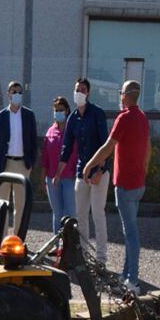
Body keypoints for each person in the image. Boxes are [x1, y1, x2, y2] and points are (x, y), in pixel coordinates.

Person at [83, 80, 151, 293]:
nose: (120, 94)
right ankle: (126, 274)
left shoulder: (124, 118)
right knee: (129, 230)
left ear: (125, 95)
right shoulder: (142, 117)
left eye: (121, 91)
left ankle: (133, 279)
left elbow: (107, 147)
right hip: (138, 183)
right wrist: (144, 170)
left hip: (124, 184)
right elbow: (148, 147)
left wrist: (89, 164)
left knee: (130, 233)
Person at [54, 77, 109, 264]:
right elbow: (66, 148)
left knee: (98, 214)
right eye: (77, 89)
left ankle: (101, 258)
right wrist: (59, 173)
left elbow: (106, 145)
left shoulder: (97, 114)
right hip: (81, 173)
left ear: (89, 93)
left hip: (98, 172)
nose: (79, 93)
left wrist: (101, 170)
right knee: (81, 216)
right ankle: (84, 257)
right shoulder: (72, 118)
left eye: (83, 90)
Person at [0, 80, 37, 233]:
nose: (17, 95)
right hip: (5, 164)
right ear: (8, 94)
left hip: (22, 164)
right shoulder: (1, 116)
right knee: (2, 203)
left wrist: (30, 163)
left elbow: (33, 140)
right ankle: (1, 239)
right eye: (14, 92)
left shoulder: (29, 115)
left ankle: (17, 239)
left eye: (19, 92)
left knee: (20, 205)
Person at [41, 96, 77, 233]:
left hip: (69, 178)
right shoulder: (50, 131)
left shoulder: (72, 130)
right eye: (56, 110)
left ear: (67, 110)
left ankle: (71, 247)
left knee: (70, 213)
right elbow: (45, 157)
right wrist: (43, 177)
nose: (58, 113)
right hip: (51, 179)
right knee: (57, 212)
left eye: (61, 110)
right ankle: (57, 245)